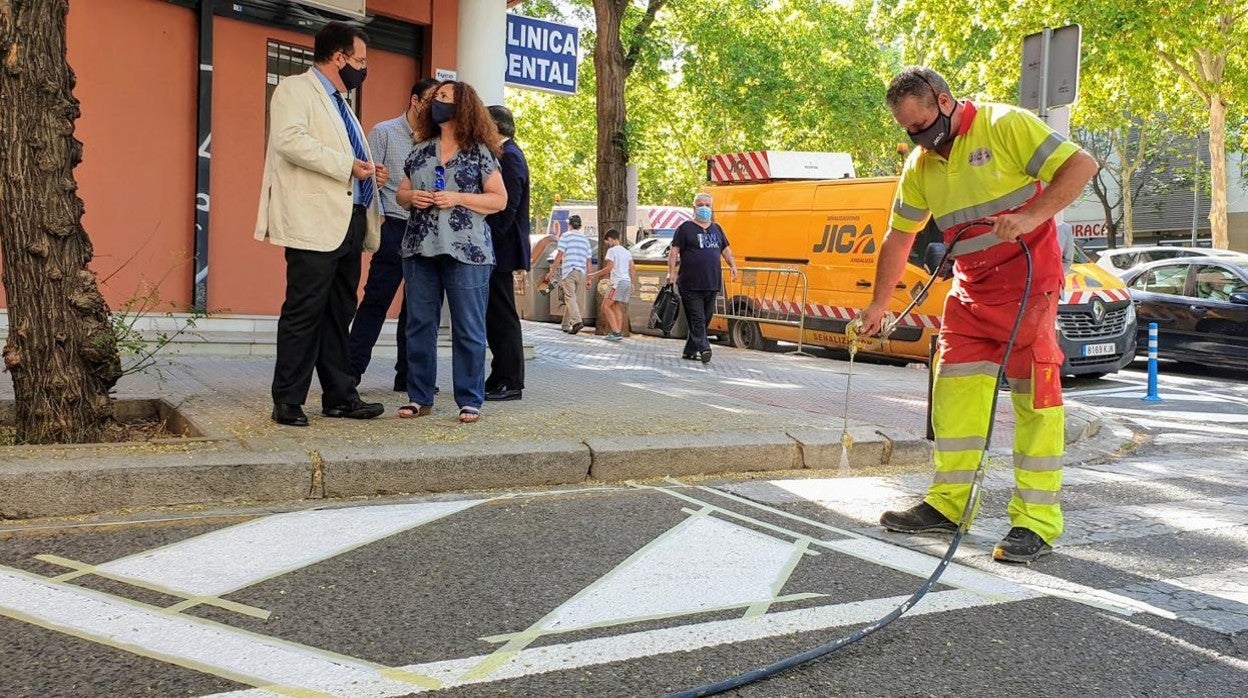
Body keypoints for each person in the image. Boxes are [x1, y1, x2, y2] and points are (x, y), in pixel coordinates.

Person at [857, 66, 1098, 563]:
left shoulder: (1005, 125)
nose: (920, 139)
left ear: (945, 101)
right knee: (955, 394)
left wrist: (1032, 216)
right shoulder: (921, 167)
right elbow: (899, 237)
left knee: (1036, 397)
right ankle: (948, 505)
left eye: (924, 125)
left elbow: (1081, 167)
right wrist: (879, 305)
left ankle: (1035, 522)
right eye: (909, 132)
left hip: (1030, 282)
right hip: (971, 287)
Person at [254, 21, 386, 427]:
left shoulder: (342, 103)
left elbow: (346, 159)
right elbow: (290, 141)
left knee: (338, 312)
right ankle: (288, 400)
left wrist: (368, 173)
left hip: (349, 221)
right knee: (304, 310)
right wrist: (349, 165)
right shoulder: (295, 90)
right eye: (360, 60)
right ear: (339, 57)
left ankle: (340, 396)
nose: (364, 69)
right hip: (313, 222)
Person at [395, 80, 506, 424]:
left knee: (469, 327)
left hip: (468, 252)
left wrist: (457, 197)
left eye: (445, 98)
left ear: (464, 108)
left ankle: (470, 399)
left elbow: (498, 200)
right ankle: (419, 397)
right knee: (418, 326)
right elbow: (401, 193)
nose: (437, 103)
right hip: (419, 247)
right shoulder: (420, 148)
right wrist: (411, 198)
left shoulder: (479, 152)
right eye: (435, 98)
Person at [348, 78, 439, 392]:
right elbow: (365, 179)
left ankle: (409, 378)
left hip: (424, 231)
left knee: (417, 309)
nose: (436, 106)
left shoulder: (436, 139)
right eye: (431, 99)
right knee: (376, 301)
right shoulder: (384, 132)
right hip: (393, 226)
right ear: (415, 100)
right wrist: (380, 221)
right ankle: (349, 375)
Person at [482, 105, 531, 401]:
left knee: (502, 316)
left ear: (495, 127)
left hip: (502, 249)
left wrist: (488, 238)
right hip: (499, 249)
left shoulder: (510, 156)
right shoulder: (506, 154)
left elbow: (506, 208)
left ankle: (510, 380)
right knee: (495, 315)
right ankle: (500, 374)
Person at [667, 193, 738, 363]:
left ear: (711, 207)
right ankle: (704, 348)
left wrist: (733, 266)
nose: (704, 208)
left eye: (707, 204)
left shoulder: (717, 229)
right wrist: (672, 272)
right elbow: (674, 251)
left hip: (711, 282)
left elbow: (726, 250)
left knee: (705, 318)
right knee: (697, 317)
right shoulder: (685, 228)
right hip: (690, 283)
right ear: (694, 207)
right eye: (701, 204)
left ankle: (690, 349)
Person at [585, 229, 635, 341]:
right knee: (616, 306)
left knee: (605, 306)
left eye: (607, 242)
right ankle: (618, 331)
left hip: (616, 283)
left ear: (611, 239)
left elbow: (609, 268)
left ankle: (616, 332)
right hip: (626, 282)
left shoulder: (612, 251)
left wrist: (593, 275)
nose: (607, 244)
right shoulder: (627, 252)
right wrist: (632, 282)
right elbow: (632, 267)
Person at [552, 215, 593, 334]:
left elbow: (560, 254)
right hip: (581, 272)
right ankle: (565, 324)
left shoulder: (565, 236)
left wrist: (552, 270)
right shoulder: (585, 239)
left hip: (569, 270)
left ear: (569, 225)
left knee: (570, 298)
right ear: (579, 226)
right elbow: (588, 260)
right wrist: (589, 278)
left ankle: (576, 322)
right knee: (573, 299)